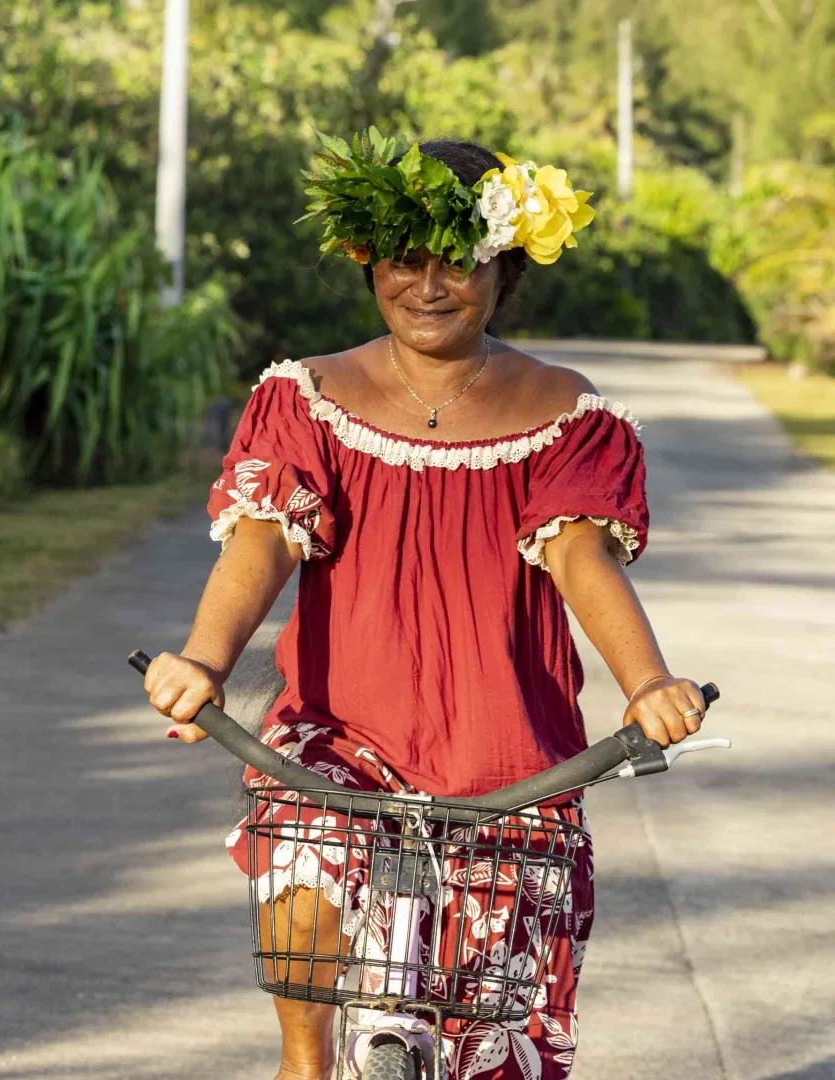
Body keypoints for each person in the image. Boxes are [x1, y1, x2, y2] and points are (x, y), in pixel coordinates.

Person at [142, 136, 710, 1080]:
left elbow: (579, 555)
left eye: (461, 259)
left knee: (488, 1037)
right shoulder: (309, 395)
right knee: (303, 852)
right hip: (341, 732)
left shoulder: (565, 412)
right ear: (368, 256)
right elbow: (264, 536)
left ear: (507, 261)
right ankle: (303, 1064)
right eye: (405, 257)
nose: (429, 284)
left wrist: (648, 682)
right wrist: (202, 660)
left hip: (505, 752)